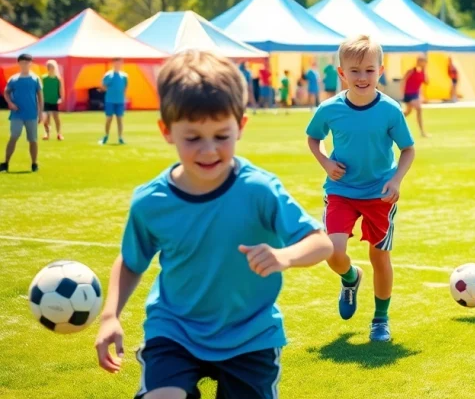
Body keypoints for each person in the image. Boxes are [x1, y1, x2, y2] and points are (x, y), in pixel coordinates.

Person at [93, 50, 333, 398]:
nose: (208, 150)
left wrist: (285, 256)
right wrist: (109, 316)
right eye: (192, 138)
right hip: (174, 329)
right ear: (166, 131)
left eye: (222, 136)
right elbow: (131, 261)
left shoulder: (258, 190)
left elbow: (321, 242)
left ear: (242, 127)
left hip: (250, 335)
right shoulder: (151, 202)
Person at [306, 35, 416, 343]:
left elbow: (408, 149)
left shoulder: (391, 110)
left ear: (380, 71)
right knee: (333, 251)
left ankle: (380, 320)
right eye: (354, 71)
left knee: (380, 257)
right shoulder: (329, 109)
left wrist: (395, 180)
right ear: (341, 73)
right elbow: (314, 138)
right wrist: (326, 162)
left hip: (380, 194)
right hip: (341, 191)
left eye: (369, 70)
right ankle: (351, 278)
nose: (362, 77)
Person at [2, 53, 43, 173]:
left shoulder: (35, 79)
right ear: (18, 63)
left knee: (33, 139)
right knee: (14, 136)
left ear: (31, 63)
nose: (25, 64)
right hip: (17, 113)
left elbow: (40, 96)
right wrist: (10, 103)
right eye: (22, 62)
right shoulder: (14, 79)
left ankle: (34, 163)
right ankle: (6, 162)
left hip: (31, 113)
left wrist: (40, 113)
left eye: (27, 62)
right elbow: (6, 92)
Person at [100, 58, 128, 145]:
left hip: (120, 101)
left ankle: (120, 137)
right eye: (116, 63)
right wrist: (110, 91)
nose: (118, 65)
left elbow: (125, 87)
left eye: (120, 63)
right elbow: (103, 86)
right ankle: (106, 136)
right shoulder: (108, 75)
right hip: (110, 100)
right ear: (113, 64)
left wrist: (123, 97)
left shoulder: (124, 76)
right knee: (109, 118)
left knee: (120, 119)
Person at [401, 56, 429, 137]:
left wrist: (425, 70)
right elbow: (403, 80)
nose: (424, 63)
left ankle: (395, 119)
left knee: (408, 112)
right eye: (423, 61)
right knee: (419, 109)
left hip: (415, 94)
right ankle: (422, 132)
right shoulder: (411, 71)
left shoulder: (422, 73)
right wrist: (402, 93)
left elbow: (427, 82)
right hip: (408, 94)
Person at [41, 59, 64, 141]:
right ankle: (47, 133)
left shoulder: (57, 79)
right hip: (45, 100)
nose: (49, 68)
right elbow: (40, 89)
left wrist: (61, 98)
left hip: (54, 100)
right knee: (46, 119)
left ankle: (59, 134)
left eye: (51, 66)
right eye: (48, 66)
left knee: (56, 118)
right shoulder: (43, 78)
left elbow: (60, 89)